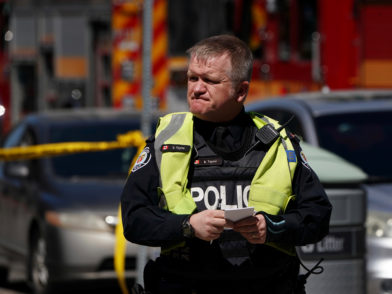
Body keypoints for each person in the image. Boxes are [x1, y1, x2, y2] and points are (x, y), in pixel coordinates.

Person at [121, 34, 332, 294]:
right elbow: (134, 219)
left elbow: (319, 216)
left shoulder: (278, 143)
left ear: (241, 91)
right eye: (192, 78)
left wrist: (273, 227)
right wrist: (187, 226)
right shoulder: (166, 140)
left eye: (209, 80)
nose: (196, 88)